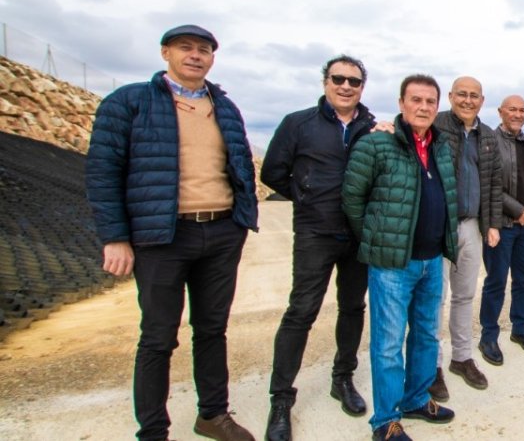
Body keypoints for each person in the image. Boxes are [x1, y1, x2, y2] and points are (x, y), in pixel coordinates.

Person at [86, 24, 258, 441]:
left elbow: (239, 167)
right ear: (166, 53)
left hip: (220, 233)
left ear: (212, 58)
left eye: (204, 50)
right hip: (162, 237)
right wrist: (115, 236)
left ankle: (212, 415)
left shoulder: (225, 107)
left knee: (212, 329)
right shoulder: (130, 102)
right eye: (186, 48)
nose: (195, 56)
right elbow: (103, 171)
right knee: (159, 337)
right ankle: (153, 431)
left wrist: (241, 218)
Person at [261, 55, 383, 440]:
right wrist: (307, 196)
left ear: (363, 86)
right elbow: (272, 172)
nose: (346, 86)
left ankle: (342, 378)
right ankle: (281, 399)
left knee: (352, 308)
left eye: (354, 81)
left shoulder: (372, 127)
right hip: (316, 232)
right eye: (338, 79)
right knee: (301, 311)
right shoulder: (298, 124)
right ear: (325, 81)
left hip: (358, 235)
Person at [343, 74, 458, 441]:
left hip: (432, 262)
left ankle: (416, 399)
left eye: (430, 101)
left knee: (426, 336)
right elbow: (352, 199)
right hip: (393, 265)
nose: (423, 107)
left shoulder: (440, 147)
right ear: (401, 103)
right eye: (416, 100)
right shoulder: (377, 144)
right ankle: (386, 420)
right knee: (389, 343)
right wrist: (377, 240)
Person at [431, 76, 501, 394]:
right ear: (450, 96)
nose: (468, 100)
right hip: (439, 225)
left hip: (473, 226)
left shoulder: (487, 136)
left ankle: (461, 358)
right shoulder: (435, 125)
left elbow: (493, 185)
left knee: (464, 296)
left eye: (474, 96)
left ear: (482, 101)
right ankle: (430, 366)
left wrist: (493, 224)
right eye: (462, 94)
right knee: (435, 299)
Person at [480, 96, 524, 354]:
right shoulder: (489, 141)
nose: (517, 114)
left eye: (522, 110)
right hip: (501, 224)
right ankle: (488, 335)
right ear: (500, 112)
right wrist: (519, 211)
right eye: (512, 109)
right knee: (496, 281)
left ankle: (520, 330)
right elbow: (489, 183)